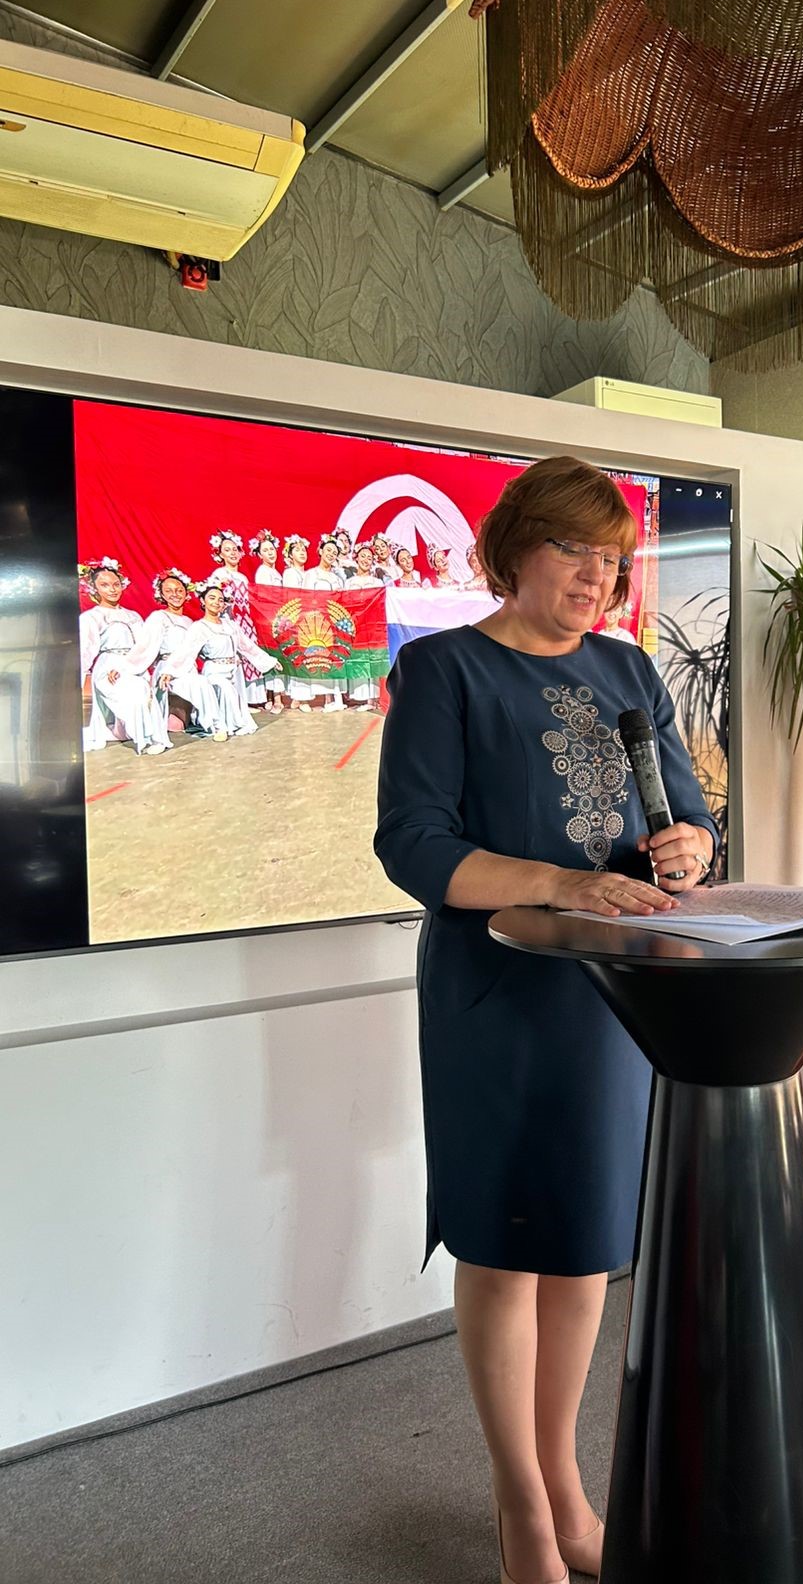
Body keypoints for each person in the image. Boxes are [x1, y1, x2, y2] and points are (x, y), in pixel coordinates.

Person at [375, 455, 717, 1584]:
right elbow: (413, 843)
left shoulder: (627, 667)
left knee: (581, 1246)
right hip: (497, 998)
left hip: (611, 999)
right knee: (505, 1242)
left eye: (611, 557)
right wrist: (561, 883)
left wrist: (692, 847)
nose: (596, 575)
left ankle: (565, 1484)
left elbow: (687, 812)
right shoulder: (444, 669)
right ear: (512, 549)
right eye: (573, 548)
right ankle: (520, 1504)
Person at [162, 582, 280, 740]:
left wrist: (269, 661)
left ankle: (233, 723)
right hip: (214, 672)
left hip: (233, 671)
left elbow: (247, 646)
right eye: (212, 598)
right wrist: (170, 670)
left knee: (233, 692)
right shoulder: (199, 627)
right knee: (226, 689)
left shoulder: (230, 625)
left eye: (220, 599)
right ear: (203, 601)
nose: (216, 602)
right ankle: (221, 726)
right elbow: (186, 651)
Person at [79, 559, 171, 755]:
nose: (112, 589)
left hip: (134, 665)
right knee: (135, 693)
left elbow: (144, 646)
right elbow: (86, 650)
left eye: (115, 584)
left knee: (144, 691)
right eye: (104, 585)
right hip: (108, 667)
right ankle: (144, 738)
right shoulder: (91, 617)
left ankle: (155, 738)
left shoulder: (133, 616)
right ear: (94, 588)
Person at [142, 568, 220, 736]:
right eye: (169, 591)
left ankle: (205, 719)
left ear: (186, 593)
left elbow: (198, 649)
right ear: (162, 594)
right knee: (200, 683)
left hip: (188, 669)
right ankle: (216, 725)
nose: (175, 595)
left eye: (179, 590)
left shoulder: (190, 622)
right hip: (168, 671)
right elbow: (145, 648)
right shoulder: (158, 617)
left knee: (178, 725)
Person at [206, 529, 268, 710]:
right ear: (220, 554)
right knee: (237, 658)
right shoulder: (219, 574)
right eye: (227, 550)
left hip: (246, 621)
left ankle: (252, 698)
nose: (232, 553)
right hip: (229, 620)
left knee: (250, 654)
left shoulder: (242, 577)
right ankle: (239, 701)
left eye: (235, 549)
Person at [303, 534, 348, 711]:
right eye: (328, 550)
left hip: (333, 621)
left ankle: (336, 697)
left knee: (334, 656)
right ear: (320, 551)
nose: (331, 554)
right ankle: (325, 697)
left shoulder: (337, 578)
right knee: (319, 655)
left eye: (334, 552)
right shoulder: (310, 574)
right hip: (316, 620)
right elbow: (305, 597)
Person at [342, 542, 383, 711]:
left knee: (371, 658)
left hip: (372, 625)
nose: (366, 560)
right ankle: (360, 696)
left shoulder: (377, 582)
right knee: (358, 658)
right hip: (355, 625)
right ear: (356, 558)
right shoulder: (349, 582)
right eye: (363, 556)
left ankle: (372, 699)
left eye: (369, 557)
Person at [249, 530, 286, 713]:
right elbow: (266, 597)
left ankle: (272, 695)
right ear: (259, 554)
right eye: (265, 550)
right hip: (269, 618)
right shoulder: (263, 572)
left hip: (277, 617)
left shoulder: (275, 572)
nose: (270, 553)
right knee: (273, 655)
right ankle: (276, 698)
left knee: (275, 654)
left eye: (272, 549)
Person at [281, 536, 313, 712]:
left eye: (304, 549)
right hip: (297, 617)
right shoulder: (290, 573)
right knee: (299, 656)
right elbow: (292, 597)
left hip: (309, 617)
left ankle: (298, 697)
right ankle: (301, 697)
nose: (302, 553)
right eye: (297, 550)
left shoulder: (308, 573)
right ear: (290, 555)